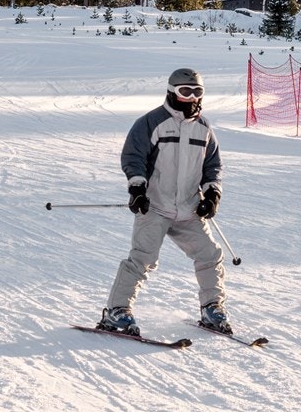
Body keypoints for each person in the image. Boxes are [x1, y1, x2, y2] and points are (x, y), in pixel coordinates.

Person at [97, 67, 230, 337]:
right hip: (155, 206)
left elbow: (212, 166)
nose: (191, 97)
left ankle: (211, 307)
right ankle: (117, 311)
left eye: (197, 92)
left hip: (189, 209)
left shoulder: (204, 128)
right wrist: (137, 188)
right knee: (142, 259)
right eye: (185, 91)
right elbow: (133, 157)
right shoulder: (150, 122)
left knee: (209, 255)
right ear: (171, 92)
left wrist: (212, 192)